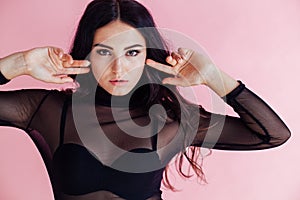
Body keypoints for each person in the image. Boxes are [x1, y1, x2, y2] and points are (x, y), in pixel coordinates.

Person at [0, 0, 291, 199]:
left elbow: (273, 135)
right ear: (86, 52)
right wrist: (17, 64)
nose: (118, 68)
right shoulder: (48, 110)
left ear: (147, 55)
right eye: (104, 52)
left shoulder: (172, 122)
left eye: (132, 53)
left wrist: (215, 77)